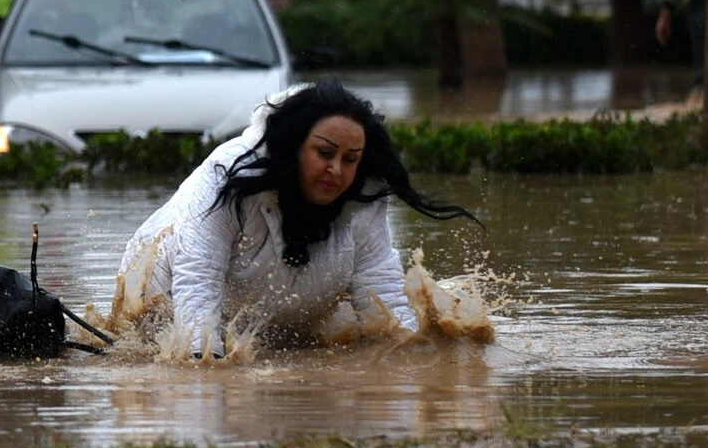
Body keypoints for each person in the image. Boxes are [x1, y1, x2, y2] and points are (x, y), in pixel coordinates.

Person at [109, 78, 480, 360]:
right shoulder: (226, 178)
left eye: (350, 159)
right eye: (324, 153)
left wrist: (426, 362)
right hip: (165, 292)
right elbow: (197, 282)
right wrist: (203, 365)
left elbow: (383, 294)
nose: (336, 170)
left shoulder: (363, 196)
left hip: (279, 310)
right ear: (292, 145)